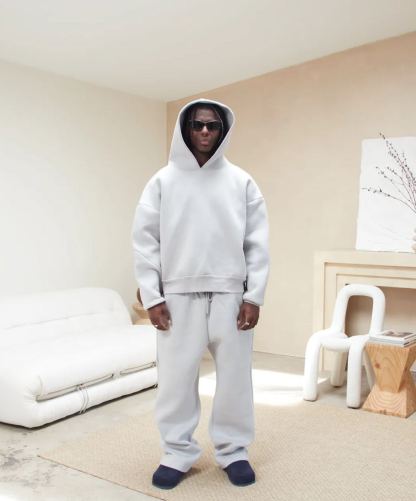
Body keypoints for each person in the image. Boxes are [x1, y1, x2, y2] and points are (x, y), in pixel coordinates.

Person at [131, 98, 269, 489]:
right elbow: (145, 242)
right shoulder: (162, 181)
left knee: (235, 378)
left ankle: (234, 450)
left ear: (224, 130)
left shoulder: (241, 181)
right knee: (175, 380)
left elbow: (257, 243)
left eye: (213, 125)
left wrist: (253, 296)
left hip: (231, 295)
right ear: (185, 128)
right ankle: (176, 452)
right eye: (197, 124)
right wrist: (152, 296)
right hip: (177, 297)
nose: (205, 131)